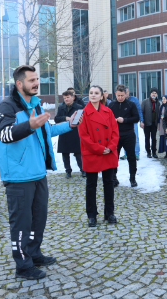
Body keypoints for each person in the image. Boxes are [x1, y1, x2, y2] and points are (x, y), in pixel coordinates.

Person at [0, 65, 75, 280]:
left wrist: (71, 125)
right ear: (19, 83)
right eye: (32, 80)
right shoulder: (7, 106)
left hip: (38, 173)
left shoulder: (35, 105)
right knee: (21, 223)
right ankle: (23, 265)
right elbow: (4, 134)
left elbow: (47, 130)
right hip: (19, 177)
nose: (36, 83)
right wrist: (28, 126)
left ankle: (33, 252)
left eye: (37, 79)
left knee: (38, 219)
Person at [78, 85, 119, 228]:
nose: (93, 95)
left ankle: (109, 212)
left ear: (102, 96)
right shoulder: (83, 113)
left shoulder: (108, 112)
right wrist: (100, 149)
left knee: (109, 183)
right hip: (93, 153)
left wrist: (111, 147)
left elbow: (115, 131)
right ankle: (91, 215)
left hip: (108, 152)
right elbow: (84, 137)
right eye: (91, 93)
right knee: (91, 185)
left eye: (96, 93)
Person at [108, 84, 139, 188]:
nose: (120, 97)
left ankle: (133, 178)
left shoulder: (131, 104)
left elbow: (136, 118)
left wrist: (124, 120)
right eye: (118, 95)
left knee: (131, 157)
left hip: (129, 134)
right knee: (114, 157)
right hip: (115, 135)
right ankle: (114, 178)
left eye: (122, 95)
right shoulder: (111, 105)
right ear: (116, 94)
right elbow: (107, 119)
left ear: (126, 94)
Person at [54, 90, 84, 179]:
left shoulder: (79, 107)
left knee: (78, 153)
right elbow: (56, 119)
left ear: (72, 97)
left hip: (75, 133)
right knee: (65, 154)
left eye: (68, 97)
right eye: (64, 98)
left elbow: (83, 120)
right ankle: (68, 171)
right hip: (64, 133)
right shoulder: (61, 107)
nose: (66, 99)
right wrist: (66, 118)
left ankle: (83, 170)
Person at [123, 87, 143, 161]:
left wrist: (141, 120)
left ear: (128, 92)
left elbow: (139, 110)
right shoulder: (121, 100)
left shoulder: (134, 99)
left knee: (135, 138)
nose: (126, 94)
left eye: (127, 92)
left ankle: (137, 153)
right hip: (124, 122)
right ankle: (126, 153)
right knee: (125, 139)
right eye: (125, 92)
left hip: (133, 122)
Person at [140, 88, 160, 158]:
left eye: (155, 93)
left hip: (154, 124)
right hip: (146, 123)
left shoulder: (158, 102)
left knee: (154, 138)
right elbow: (141, 112)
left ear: (157, 94)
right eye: (152, 93)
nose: (154, 94)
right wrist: (142, 121)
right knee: (147, 138)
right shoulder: (145, 101)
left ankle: (154, 152)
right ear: (150, 94)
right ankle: (148, 152)